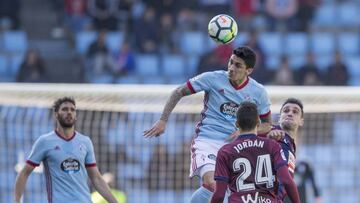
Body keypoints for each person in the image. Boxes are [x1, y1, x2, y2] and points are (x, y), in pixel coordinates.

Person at [144, 46, 272, 203]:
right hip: (207, 141)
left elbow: (267, 125)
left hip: (236, 147)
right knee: (213, 183)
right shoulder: (213, 78)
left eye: (238, 65)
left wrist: (247, 132)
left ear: (249, 71)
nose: (231, 68)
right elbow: (179, 91)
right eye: (231, 62)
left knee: (235, 195)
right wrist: (163, 120)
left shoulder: (258, 92)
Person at [14, 97, 118, 203]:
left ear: (76, 115)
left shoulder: (85, 142)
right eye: (64, 109)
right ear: (56, 114)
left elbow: (96, 178)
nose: (69, 112)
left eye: (72, 110)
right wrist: (17, 200)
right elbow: (24, 173)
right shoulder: (45, 142)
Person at [210, 102, 300, 203]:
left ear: (237, 124)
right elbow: (287, 181)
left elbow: (219, 194)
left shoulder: (225, 151)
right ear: (258, 123)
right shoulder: (272, 145)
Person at [266, 98, 305, 201]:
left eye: (295, 112)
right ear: (280, 117)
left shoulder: (290, 145)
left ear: (301, 121)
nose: (290, 113)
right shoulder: (270, 132)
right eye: (286, 110)